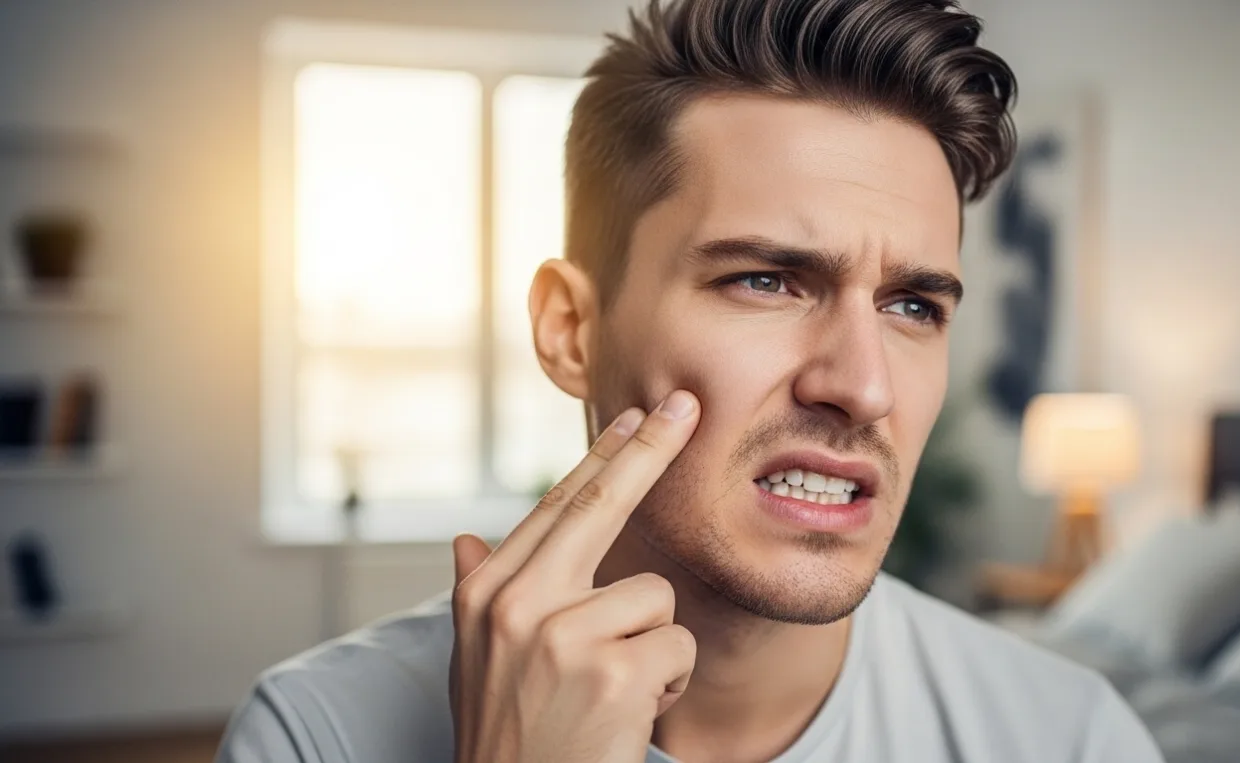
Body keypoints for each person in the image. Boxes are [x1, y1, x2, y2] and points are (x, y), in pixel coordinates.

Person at [219, 0, 1164, 760]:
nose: (863, 385)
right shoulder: (316, 735)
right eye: (766, 279)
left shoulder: (1071, 737)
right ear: (571, 330)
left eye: (913, 305)